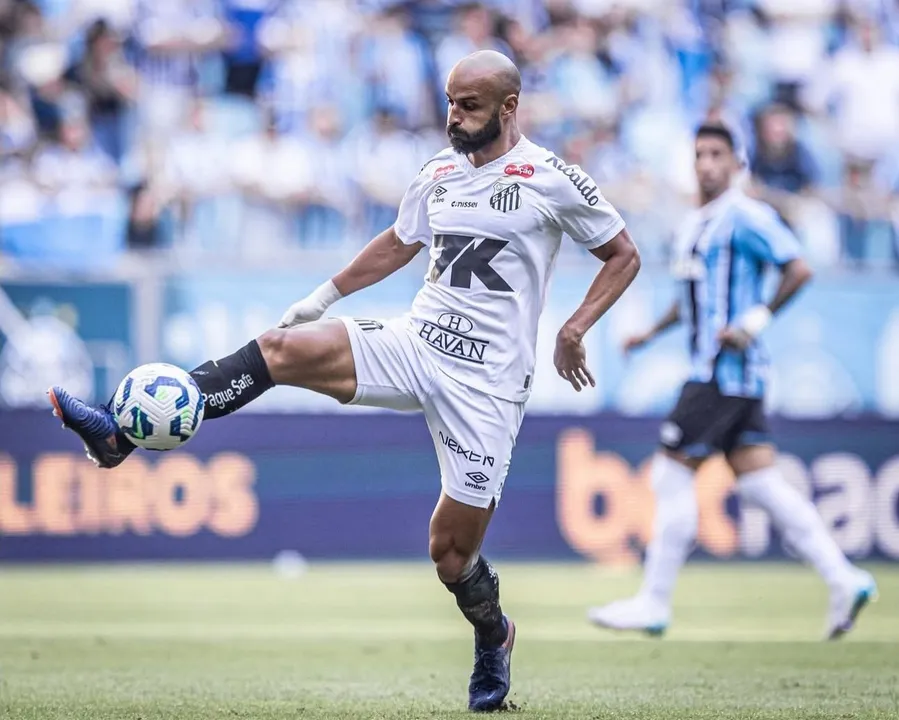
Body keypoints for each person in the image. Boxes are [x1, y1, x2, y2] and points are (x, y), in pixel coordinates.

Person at [48, 51, 640, 711]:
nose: (453, 117)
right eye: (449, 102)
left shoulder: (553, 178)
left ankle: (493, 633)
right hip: (418, 342)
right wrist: (322, 298)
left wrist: (573, 328)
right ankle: (118, 436)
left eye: (469, 106)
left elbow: (622, 254)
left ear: (509, 107)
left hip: (488, 386)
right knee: (279, 349)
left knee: (450, 556)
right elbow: (398, 242)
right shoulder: (438, 172)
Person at [586, 123, 877, 641]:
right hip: (734, 378)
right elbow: (692, 299)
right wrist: (650, 334)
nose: (707, 164)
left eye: (718, 154)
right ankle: (843, 577)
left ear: (739, 163)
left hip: (721, 372)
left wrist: (756, 320)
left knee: (669, 475)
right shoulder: (695, 224)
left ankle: (654, 601)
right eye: (700, 154)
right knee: (762, 484)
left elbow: (799, 268)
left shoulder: (745, 215)